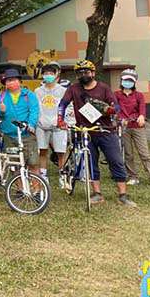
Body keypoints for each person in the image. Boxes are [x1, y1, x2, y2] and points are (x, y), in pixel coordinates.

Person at [58, 60, 136, 207]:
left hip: (106, 130)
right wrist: (60, 119)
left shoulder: (104, 88)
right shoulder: (73, 89)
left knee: (116, 161)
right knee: (91, 163)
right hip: (85, 132)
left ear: (93, 73)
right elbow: (62, 104)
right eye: (80, 73)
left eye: (86, 72)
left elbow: (116, 107)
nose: (83, 75)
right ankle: (97, 193)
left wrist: (110, 110)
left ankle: (123, 195)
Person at [116, 69, 150, 189]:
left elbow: (142, 108)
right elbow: (115, 108)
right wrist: (120, 118)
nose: (127, 82)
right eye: (125, 80)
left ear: (134, 82)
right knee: (128, 154)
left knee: (144, 153)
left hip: (137, 127)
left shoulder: (139, 95)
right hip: (124, 127)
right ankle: (133, 177)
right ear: (121, 81)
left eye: (130, 81)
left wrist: (142, 116)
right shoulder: (116, 94)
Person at [0, 69, 40, 177]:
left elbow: (34, 111)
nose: (11, 83)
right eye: (8, 81)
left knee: (33, 163)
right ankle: (19, 189)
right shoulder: (1, 97)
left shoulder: (29, 95)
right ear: (5, 84)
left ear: (19, 81)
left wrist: (31, 124)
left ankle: (37, 190)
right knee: (14, 164)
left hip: (27, 134)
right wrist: (1, 111)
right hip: (9, 134)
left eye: (13, 80)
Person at [34, 62, 68, 188]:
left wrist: (62, 121)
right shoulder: (38, 91)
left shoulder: (63, 91)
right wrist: (39, 121)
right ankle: (43, 176)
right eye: (46, 73)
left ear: (56, 75)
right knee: (42, 151)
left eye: (51, 73)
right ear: (42, 76)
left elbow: (67, 107)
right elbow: (36, 108)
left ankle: (63, 176)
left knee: (60, 152)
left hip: (58, 126)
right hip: (42, 125)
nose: (48, 76)